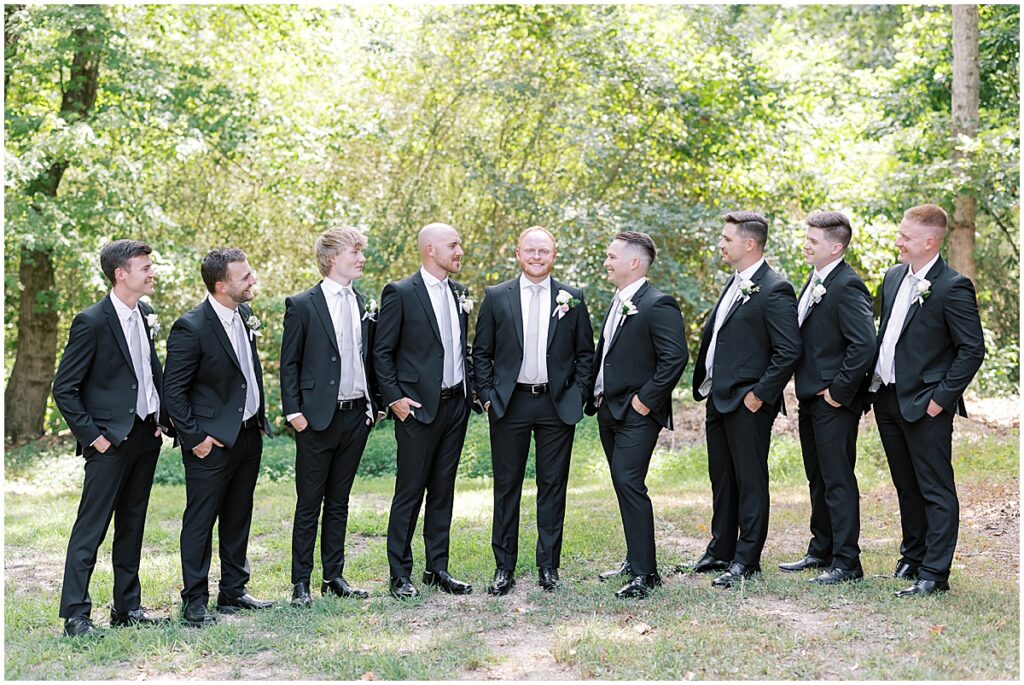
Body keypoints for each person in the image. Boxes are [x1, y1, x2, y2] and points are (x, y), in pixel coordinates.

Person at [52, 239, 173, 637]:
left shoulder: (147, 313)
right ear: (121, 274)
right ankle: (75, 614)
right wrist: (94, 438)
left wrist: (159, 420)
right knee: (92, 527)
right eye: (144, 268)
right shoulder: (91, 321)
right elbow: (64, 388)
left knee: (133, 525)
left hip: (144, 436)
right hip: (108, 441)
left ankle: (127, 608)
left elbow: (149, 371)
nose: (151, 273)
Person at [867, 204, 985, 597]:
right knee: (906, 484)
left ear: (929, 241)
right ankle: (912, 557)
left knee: (935, 488)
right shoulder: (893, 276)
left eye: (905, 236)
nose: (898, 241)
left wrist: (940, 400)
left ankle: (934, 574)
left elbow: (971, 350)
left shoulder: (953, 286)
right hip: (887, 399)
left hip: (926, 404)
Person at [473, 226, 595, 595]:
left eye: (544, 251)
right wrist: (489, 397)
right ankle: (503, 568)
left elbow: (585, 354)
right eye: (531, 250)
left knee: (552, 486)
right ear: (518, 253)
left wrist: (577, 395)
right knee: (506, 487)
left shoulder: (572, 298)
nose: (537, 256)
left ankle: (548, 567)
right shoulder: (496, 296)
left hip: (556, 405)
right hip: (510, 403)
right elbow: (481, 352)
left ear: (554, 255)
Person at [687, 211, 801, 588]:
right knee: (722, 477)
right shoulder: (735, 283)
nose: (721, 243)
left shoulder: (775, 288)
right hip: (719, 398)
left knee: (750, 479)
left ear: (749, 244)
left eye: (726, 238)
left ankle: (747, 559)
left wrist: (758, 395)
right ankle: (721, 548)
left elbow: (788, 351)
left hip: (749, 402)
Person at [164, 248, 274, 626]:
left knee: (238, 515)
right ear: (221, 285)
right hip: (209, 443)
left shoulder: (244, 315)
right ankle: (194, 600)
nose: (253, 280)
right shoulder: (190, 326)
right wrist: (196, 438)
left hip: (247, 436)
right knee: (200, 520)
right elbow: (173, 392)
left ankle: (234, 590)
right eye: (244, 277)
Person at [373, 223, 480, 599]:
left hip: (456, 406)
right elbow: (381, 352)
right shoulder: (400, 293)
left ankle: (438, 568)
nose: (460, 251)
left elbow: (460, 350)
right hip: (416, 410)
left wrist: (473, 392)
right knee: (410, 491)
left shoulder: (460, 293)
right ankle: (399, 574)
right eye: (454, 245)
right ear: (430, 249)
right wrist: (395, 399)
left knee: (443, 491)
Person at [280, 227, 383, 606]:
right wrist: (295, 413)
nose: (360, 258)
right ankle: (301, 584)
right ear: (330, 259)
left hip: (357, 416)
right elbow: (289, 363)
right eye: (354, 252)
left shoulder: (364, 303)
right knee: (310, 502)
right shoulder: (302, 304)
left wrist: (373, 407)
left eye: (360, 252)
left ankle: (334, 577)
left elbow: (368, 358)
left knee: (339, 501)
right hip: (316, 419)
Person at [586, 231, 688, 599]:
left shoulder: (658, 304)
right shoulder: (619, 301)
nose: (606, 262)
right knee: (622, 483)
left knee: (630, 482)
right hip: (607, 409)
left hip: (637, 413)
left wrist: (646, 400)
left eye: (612, 256)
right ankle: (634, 559)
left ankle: (647, 574)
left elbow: (675, 357)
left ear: (634, 262)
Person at [779, 211, 875, 584]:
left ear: (836, 246)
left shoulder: (847, 285)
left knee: (837, 479)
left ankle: (847, 562)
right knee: (817, 478)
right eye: (807, 238)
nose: (806, 244)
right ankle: (821, 550)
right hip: (811, 398)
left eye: (813, 241)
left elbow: (864, 344)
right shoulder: (817, 279)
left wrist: (839, 391)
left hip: (833, 402)